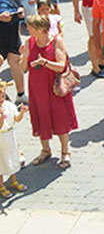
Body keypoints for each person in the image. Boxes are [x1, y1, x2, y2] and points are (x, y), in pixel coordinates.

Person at [21, 14, 76, 170]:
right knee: (40, 115)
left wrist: (44, 62)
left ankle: (65, 151)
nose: (27, 29)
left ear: (41, 29)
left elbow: (61, 66)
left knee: (60, 117)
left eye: (30, 26)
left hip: (54, 87)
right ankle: (45, 149)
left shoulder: (56, 41)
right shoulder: (29, 42)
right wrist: (24, 57)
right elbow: (23, 68)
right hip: (37, 87)